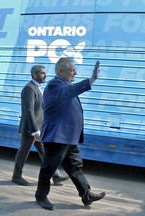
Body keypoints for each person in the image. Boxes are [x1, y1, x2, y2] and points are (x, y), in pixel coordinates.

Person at [35, 57, 106, 210]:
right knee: (48, 168)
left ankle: (87, 196)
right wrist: (91, 79)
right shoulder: (55, 85)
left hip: (68, 137)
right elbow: (68, 92)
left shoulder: (65, 85)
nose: (75, 73)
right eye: (72, 70)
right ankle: (40, 196)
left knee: (75, 167)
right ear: (61, 71)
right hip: (57, 136)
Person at [12, 65, 68, 186]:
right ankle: (16, 176)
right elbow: (29, 111)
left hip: (39, 128)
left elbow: (41, 109)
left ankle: (55, 176)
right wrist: (35, 130)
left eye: (45, 72)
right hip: (30, 129)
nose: (45, 75)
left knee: (45, 153)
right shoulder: (29, 89)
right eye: (42, 73)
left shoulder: (38, 88)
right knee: (24, 151)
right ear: (34, 75)